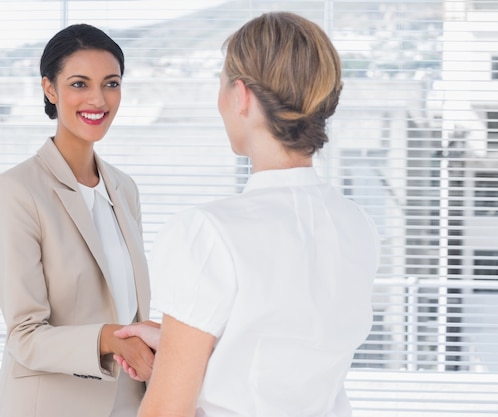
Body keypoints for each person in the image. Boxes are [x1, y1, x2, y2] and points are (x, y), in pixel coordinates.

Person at [114, 11, 381, 417]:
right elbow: (287, 350)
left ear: (241, 95)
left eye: (221, 84)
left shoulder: (208, 231)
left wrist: (177, 360)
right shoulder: (357, 225)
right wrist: (186, 344)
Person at [0, 24, 155, 417]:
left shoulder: (124, 189)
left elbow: (124, 309)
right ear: (50, 89)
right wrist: (111, 339)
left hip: (130, 401)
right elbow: (25, 337)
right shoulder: (17, 190)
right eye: (80, 84)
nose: (98, 98)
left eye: (111, 83)